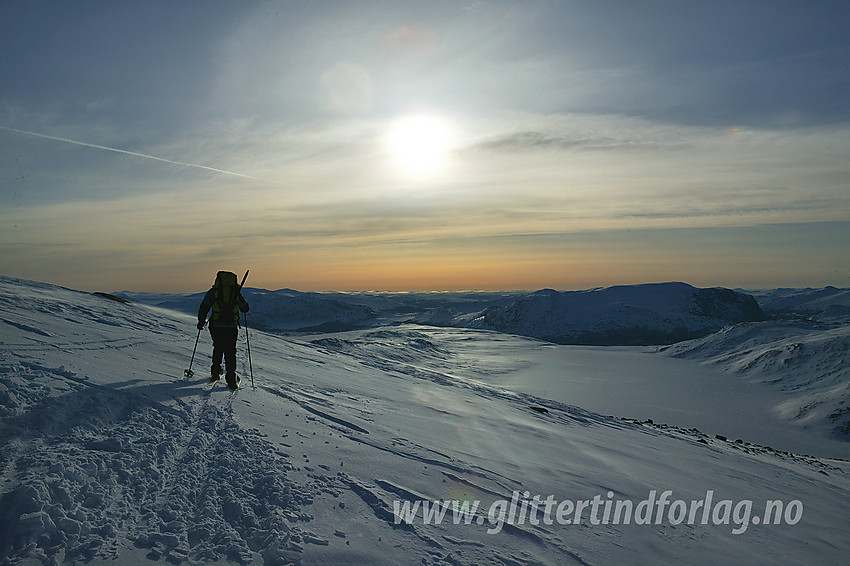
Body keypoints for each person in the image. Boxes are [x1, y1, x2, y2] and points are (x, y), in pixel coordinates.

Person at [197, 271, 249, 390]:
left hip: (216, 326)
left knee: (218, 347)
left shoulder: (214, 292)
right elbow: (245, 308)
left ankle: (215, 373)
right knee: (230, 352)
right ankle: (231, 378)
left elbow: (204, 307)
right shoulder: (235, 292)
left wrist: (201, 321)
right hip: (231, 327)